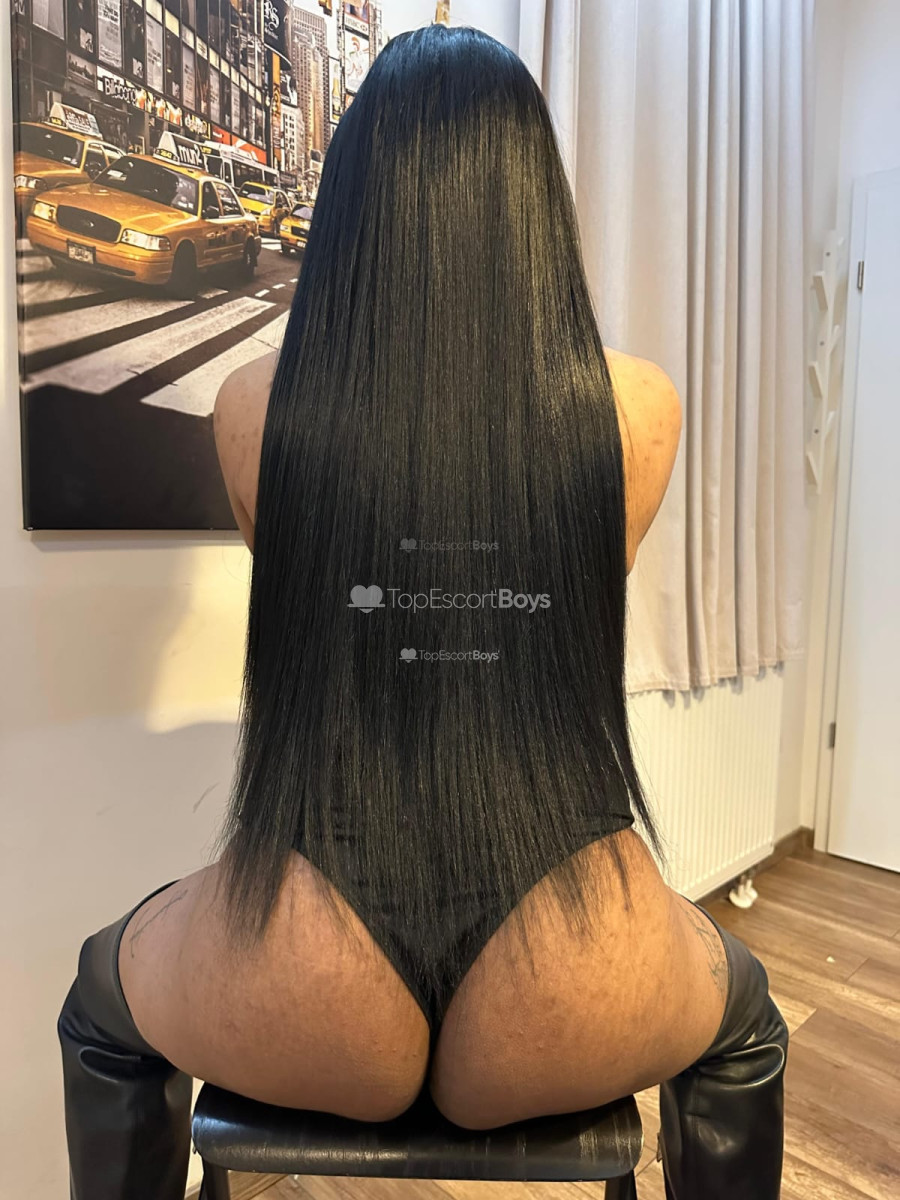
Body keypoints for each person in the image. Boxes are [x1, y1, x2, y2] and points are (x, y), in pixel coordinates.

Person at [57, 24, 788, 1199]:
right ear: (533, 198)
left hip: (308, 938)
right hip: (569, 947)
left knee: (100, 1000)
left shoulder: (254, 409)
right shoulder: (636, 411)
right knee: (746, 1025)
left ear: (353, 204)